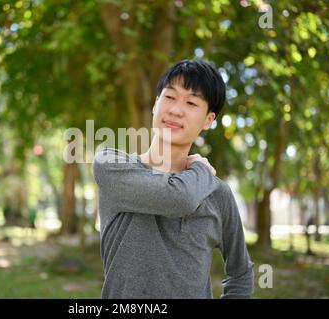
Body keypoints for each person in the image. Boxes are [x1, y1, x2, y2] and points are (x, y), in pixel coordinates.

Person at [93, 59, 254, 298]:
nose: (176, 110)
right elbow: (180, 198)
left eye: (191, 102)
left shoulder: (218, 194)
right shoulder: (111, 165)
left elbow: (241, 272)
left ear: (208, 120)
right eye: (169, 97)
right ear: (155, 104)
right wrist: (200, 168)